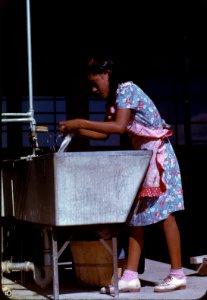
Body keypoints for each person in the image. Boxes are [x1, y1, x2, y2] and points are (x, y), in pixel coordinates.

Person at [59, 55, 187, 294]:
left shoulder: (126, 89)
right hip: (143, 159)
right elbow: (104, 134)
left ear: (107, 74)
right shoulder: (117, 100)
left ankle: (178, 273)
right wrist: (78, 130)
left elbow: (118, 128)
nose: (94, 89)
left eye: (95, 82)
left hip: (159, 159)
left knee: (165, 214)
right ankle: (129, 276)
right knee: (137, 217)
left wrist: (79, 121)